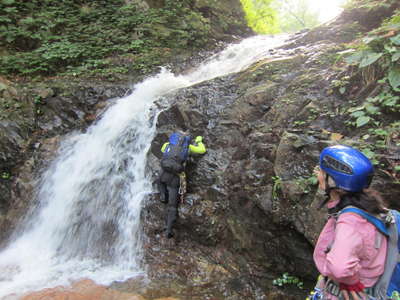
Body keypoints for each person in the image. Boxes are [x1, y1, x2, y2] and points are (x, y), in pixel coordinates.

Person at [312, 145, 388, 300]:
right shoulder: (368, 207)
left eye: (321, 171)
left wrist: (349, 282)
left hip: (350, 293)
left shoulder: (350, 221)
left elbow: (339, 268)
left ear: (333, 181)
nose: (317, 174)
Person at [158, 131, 206, 239]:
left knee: (160, 183)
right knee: (172, 206)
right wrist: (199, 140)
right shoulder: (187, 148)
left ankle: (162, 195)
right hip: (174, 178)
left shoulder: (168, 145)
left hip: (162, 174)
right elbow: (202, 150)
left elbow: (162, 150)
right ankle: (168, 231)